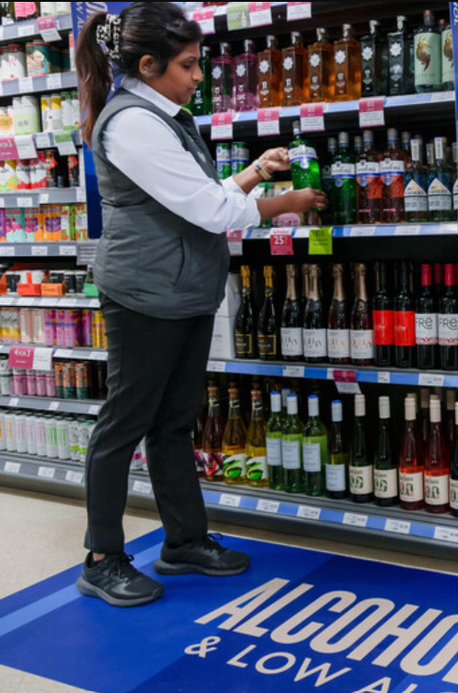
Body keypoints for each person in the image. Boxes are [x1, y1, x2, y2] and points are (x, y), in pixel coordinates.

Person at [75, 3, 326, 608]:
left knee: (175, 421)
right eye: (187, 64)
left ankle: (184, 541)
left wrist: (254, 173)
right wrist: (279, 199)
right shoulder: (132, 122)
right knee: (124, 423)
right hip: (143, 292)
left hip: (182, 288)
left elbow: (198, 196)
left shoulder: (166, 114)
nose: (198, 74)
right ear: (147, 64)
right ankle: (103, 556)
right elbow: (210, 211)